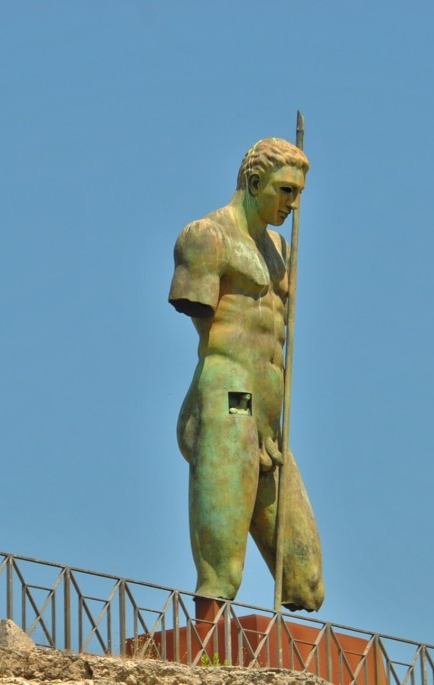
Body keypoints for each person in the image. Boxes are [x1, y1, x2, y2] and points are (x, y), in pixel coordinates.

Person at [168, 137, 324, 612]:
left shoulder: (281, 250)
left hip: (271, 425)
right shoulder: (206, 236)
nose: (292, 205)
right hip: (229, 400)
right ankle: (205, 664)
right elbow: (203, 318)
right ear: (255, 182)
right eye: (285, 192)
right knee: (221, 574)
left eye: (298, 195)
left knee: (306, 582)